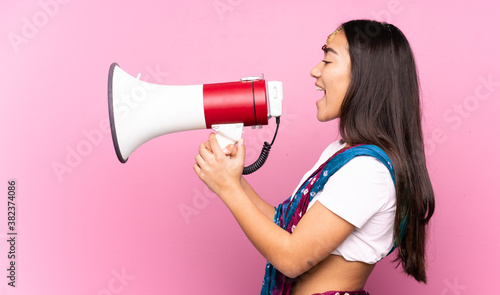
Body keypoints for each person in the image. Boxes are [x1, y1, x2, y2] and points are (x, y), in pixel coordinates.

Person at [194, 19, 435, 295]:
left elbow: (292, 258)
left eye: (328, 61)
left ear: (365, 76)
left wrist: (227, 189)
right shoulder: (343, 153)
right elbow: (286, 229)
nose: (314, 71)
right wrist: (233, 180)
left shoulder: (369, 171)